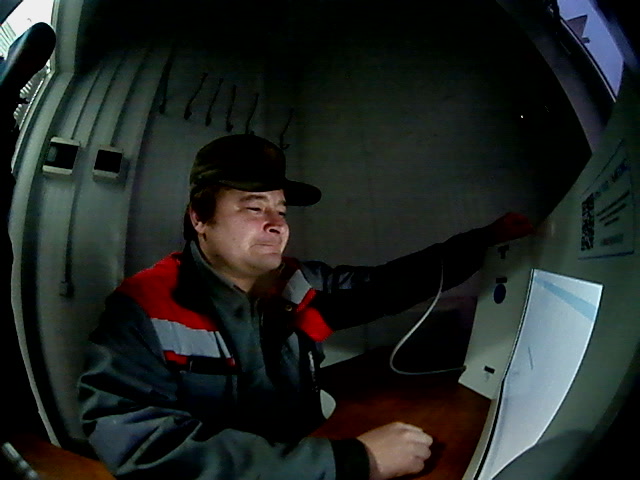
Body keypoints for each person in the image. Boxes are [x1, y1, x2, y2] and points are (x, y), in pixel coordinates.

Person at [77, 134, 533, 480]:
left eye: (281, 210)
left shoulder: (299, 281)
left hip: (313, 453)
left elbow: (385, 286)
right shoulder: (144, 308)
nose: (277, 224)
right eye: (254, 208)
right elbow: (142, 444)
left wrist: (482, 242)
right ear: (200, 218)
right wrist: (353, 461)